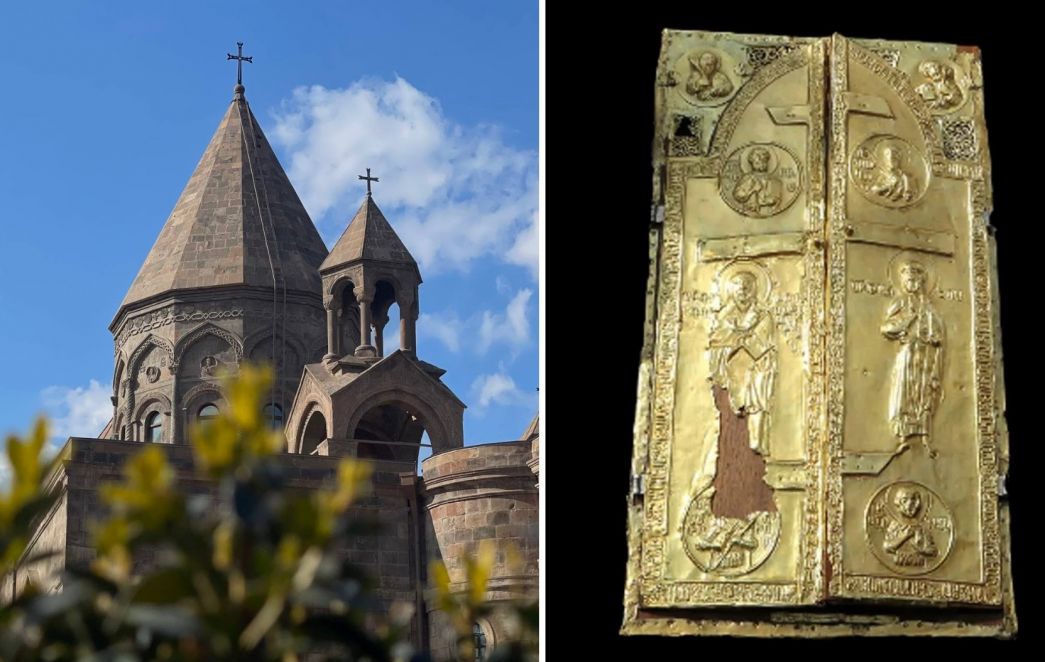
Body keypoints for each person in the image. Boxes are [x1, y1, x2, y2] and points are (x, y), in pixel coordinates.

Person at [708, 271, 776, 455]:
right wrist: (738, 336)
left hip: (756, 370)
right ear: (730, 290)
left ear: (754, 290)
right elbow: (716, 340)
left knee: (759, 391)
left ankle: (758, 439)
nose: (743, 289)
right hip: (730, 373)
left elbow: (761, 343)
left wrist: (737, 337)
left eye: (747, 285)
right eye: (738, 285)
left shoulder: (762, 316)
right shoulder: (724, 316)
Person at [881, 261, 944, 457]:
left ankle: (925, 438)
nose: (912, 284)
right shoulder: (900, 302)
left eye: (916, 281)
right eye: (909, 281)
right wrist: (907, 321)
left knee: (924, 394)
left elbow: (938, 329)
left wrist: (934, 337)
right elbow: (886, 327)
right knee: (905, 394)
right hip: (908, 353)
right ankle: (903, 439)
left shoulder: (928, 305)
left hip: (925, 355)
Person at [882, 485, 938, 567]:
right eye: (905, 501)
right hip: (899, 562)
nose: (911, 505)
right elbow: (887, 546)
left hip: (919, 566)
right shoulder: (895, 526)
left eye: (914, 501)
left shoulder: (922, 528)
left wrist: (920, 549)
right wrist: (904, 536)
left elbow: (933, 551)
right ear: (899, 504)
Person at [731, 146, 783, 216]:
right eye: (757, 162)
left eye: (763, 161)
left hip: (770, 213)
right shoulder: (748, 178)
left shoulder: (775, 182)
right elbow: (737, 195)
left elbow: (778, 199)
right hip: (750, 214)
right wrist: (751, 190)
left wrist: (774, 201)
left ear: (767, 162)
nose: (761, 164)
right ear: (752, 163)